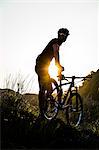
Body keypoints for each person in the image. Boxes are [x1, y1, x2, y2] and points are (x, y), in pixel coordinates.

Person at [35, 28, 70, 117]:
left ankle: (44, 110)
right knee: (45, 87)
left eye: (65, 36)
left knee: (47, 88)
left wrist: (59, 70)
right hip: (41, 65)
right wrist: (59, 67)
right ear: (59, 35)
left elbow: (56, 57)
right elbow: (56, 54)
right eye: (62, 35)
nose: (64, 38)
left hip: (43, 65)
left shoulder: (56, 43)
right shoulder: (55, 42)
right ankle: (43, 111)